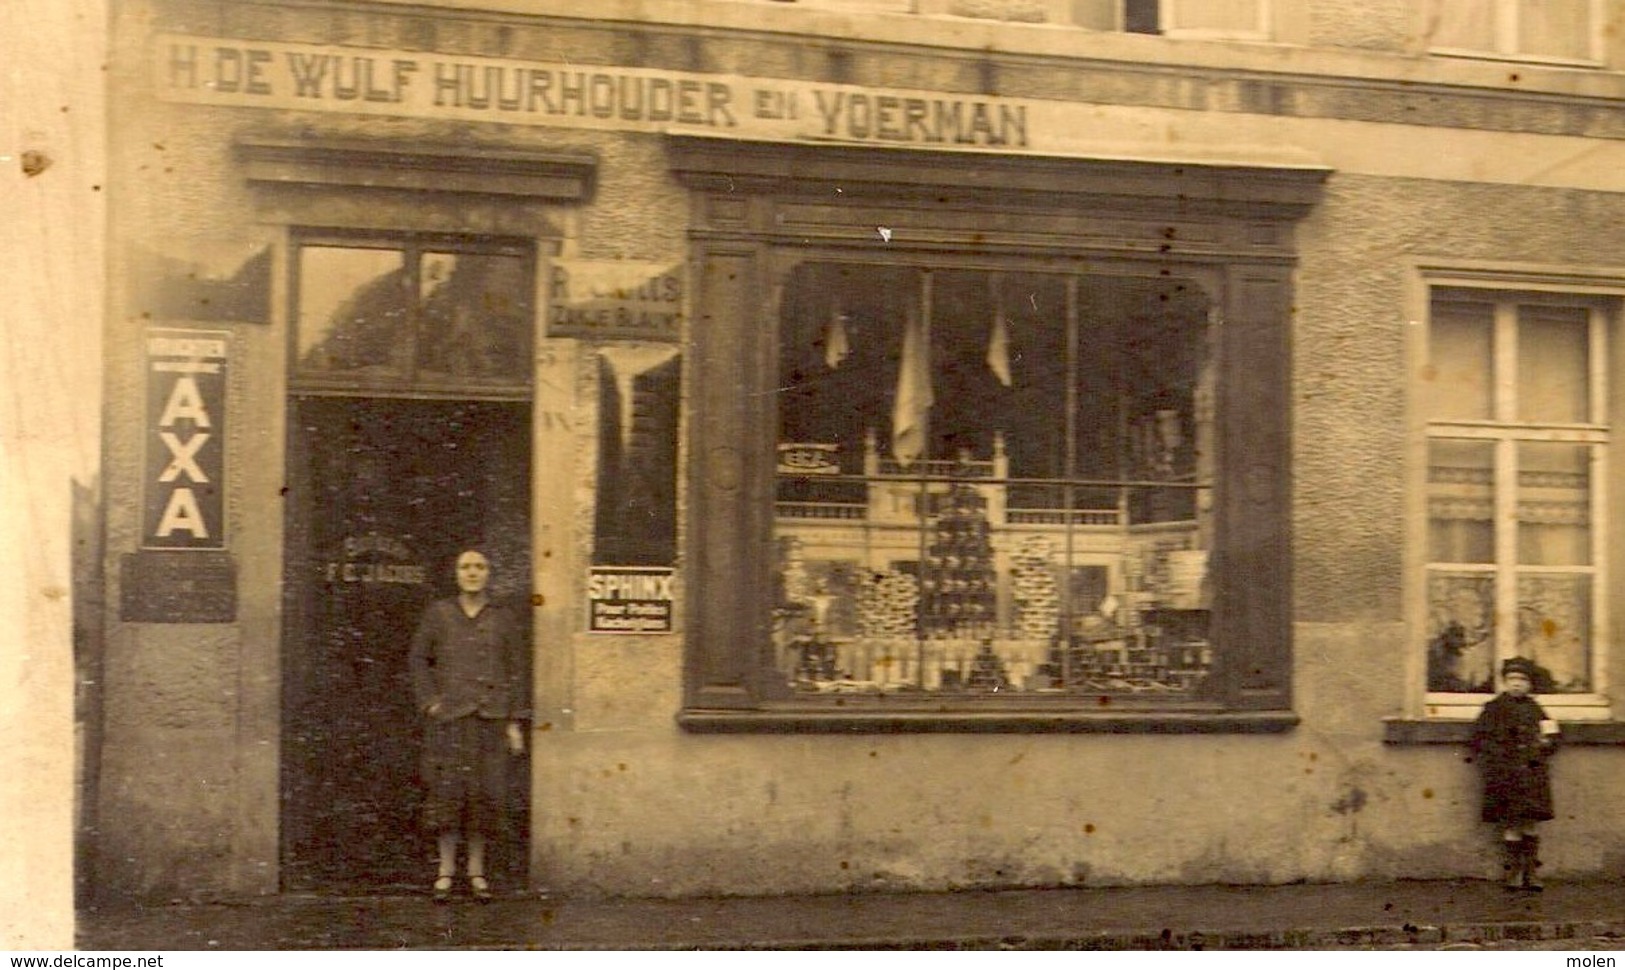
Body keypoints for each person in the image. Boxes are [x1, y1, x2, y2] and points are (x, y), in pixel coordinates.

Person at [409, 548, 528, 902]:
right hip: (450, 720)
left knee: (484, 798)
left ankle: (477, 873)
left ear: (489, 573)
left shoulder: (503, 618)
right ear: (456, 573)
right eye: (465, 567)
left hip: (490, 720)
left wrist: (513, 722)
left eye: (479, 567)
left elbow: (516, 670)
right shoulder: (439, 614)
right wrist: (431, 701)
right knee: (447, 795)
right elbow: (418, 659)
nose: (472, 573)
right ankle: (445, 872)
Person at [1467, 657, 1559, 891]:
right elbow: (1478, 740)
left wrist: (1545, 744)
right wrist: (1497, 760)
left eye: (1522, 680)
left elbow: (1553, 735)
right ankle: (1514, 871)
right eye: (1512, 679)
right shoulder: (1493, 709)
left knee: (1530, 824)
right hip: (1505, 777)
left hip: (1531, 776)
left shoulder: (1536, 709)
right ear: (1505, 682)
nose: (1517, 684)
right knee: (1511, 824)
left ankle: (1531, 872)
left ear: (1530, 684)